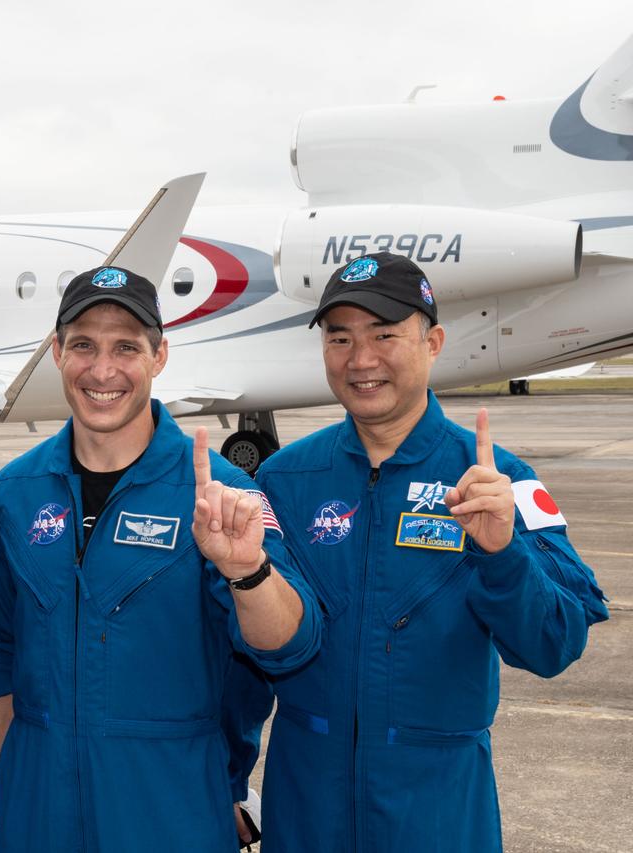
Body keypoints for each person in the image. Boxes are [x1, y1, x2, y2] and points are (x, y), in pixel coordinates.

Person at [252, 252, 609, 851]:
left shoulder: (499, 480)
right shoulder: (284, 480)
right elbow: (241, 653)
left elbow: (555, 643)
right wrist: (232, 782)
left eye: (385, 334)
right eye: (340, 337)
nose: (361, 359)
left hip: (438, 808)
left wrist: (503, 554)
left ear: (433, 341)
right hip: (305, 803)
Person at [0, 265, 323, 853]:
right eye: (83, 345)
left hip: (169, 800)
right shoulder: (14, 493)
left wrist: (247, 571)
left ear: (159, 357)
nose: (102, 370)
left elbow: (289, 645)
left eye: (126, 347)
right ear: (56, 354)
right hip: (36, 799)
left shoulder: (222, 493)